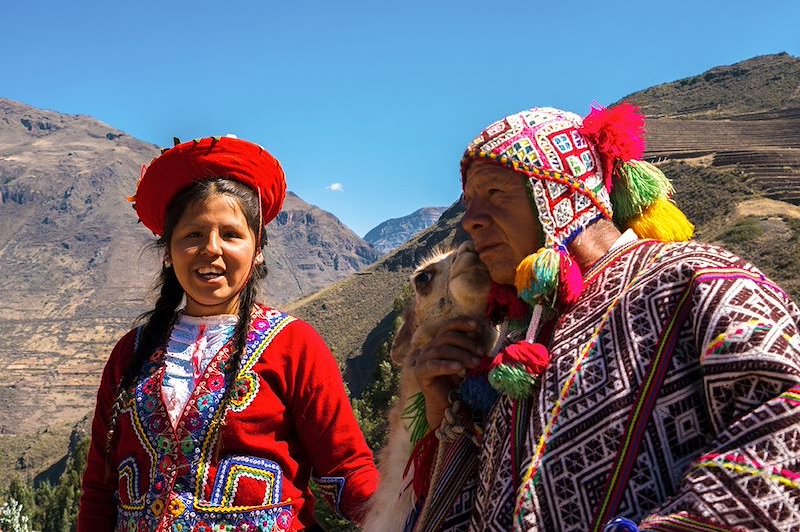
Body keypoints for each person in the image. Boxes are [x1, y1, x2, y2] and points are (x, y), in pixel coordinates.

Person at [407, 106, 800, 531]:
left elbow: (784, 438)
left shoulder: (697, 280)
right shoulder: (525, 341)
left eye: (494, 194)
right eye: (469, 202)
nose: (470, 221)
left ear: (559, 196)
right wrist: (446, 405)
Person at [78, 136, 378, 531]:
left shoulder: (294, 346)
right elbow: (101, 490)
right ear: (168, 251)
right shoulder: (130, 354)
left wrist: (412, 511)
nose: (211, 249)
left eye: (231, 235)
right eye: (193, 235)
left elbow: (348, 469)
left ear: (258, 250)